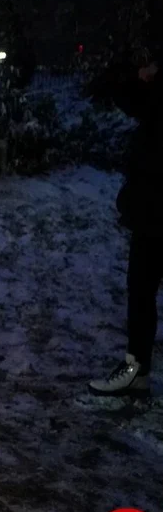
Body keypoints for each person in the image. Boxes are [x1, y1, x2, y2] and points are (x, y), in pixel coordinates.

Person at [88, 54, 161, 397]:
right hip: (150, 206)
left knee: (142, 289)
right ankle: (137, 369)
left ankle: (137, 368)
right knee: (141, 290)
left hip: (154, 203)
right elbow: (117, 90)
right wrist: (136, 73)